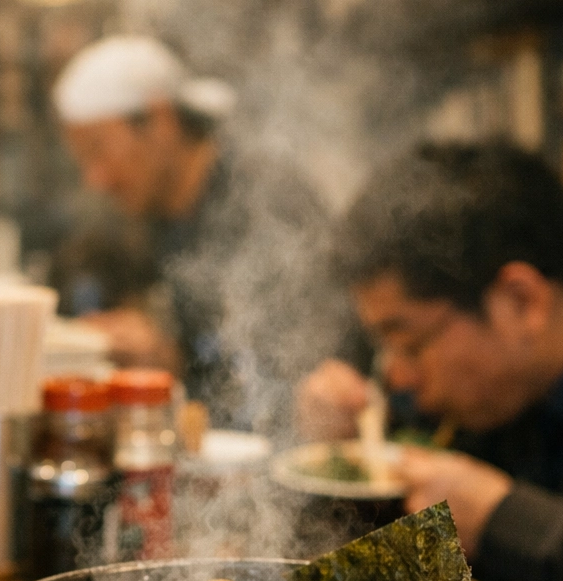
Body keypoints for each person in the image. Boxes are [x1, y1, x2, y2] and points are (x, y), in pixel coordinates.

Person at [300, 143, 563, 581]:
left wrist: (502, 518)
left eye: (409, 344)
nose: (397, 376)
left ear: (519, 301)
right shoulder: (498, 390)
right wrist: (342, 438)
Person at [52, 35, 350, 431]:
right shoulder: (150, 219)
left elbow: (299, 375)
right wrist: (160, 356)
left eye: (98, 150)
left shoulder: (267, 203)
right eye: (83, 161)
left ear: (159, 120)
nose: (95, 179)